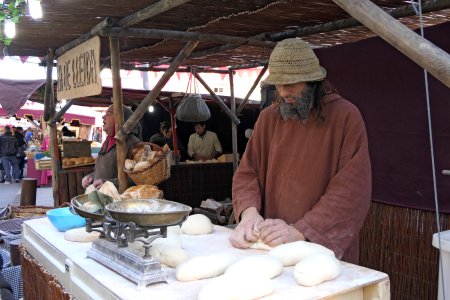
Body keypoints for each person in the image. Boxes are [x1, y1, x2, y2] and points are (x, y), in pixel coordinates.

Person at [229, 38, 371, 264]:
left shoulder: (345, 117)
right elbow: (248, 172)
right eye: (279, 85)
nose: (284, 92)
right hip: (269, 247)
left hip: (318, 252)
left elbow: (351, 191)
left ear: (312, 80)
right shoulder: (269, 118)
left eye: (292, 84)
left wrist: (301, 231)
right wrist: (249, 213)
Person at [82, 105, 141, 189]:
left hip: (119, 200)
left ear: (122, 119)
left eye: (109, 113)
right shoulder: (108, 141)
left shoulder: (133, 143)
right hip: (103, 198)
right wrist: (90, 177)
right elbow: (103, 169)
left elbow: (138, 178)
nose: (103, 117)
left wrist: (109, 183)